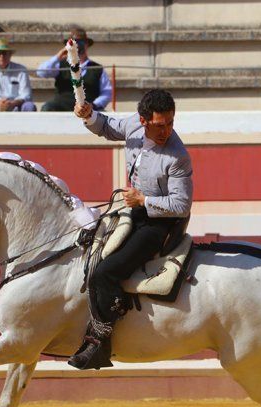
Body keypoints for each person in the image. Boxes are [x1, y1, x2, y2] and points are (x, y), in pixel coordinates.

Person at [70, 89, 193, 370]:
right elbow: (106, 127)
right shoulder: (133, 126)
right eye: (160, 125)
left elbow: (181, 205)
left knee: (106, 272)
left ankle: (101, 343)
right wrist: (88, 114)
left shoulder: (177, 156)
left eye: (171, 123)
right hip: (133, 210)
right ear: (144, 120)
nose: (167, 131)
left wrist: (144, 200)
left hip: (161, 224)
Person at [37, 27, 112, 112]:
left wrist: (94, 105)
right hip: (62, 107)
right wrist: (59, 55)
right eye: (75, 42)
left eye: (81, 42)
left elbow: (106, 93)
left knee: (102, 115)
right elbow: (41, 72)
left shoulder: (97, 68)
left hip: (87, 109)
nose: (78, 45)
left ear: (87, 44)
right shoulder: (60, 64)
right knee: (48, 107)